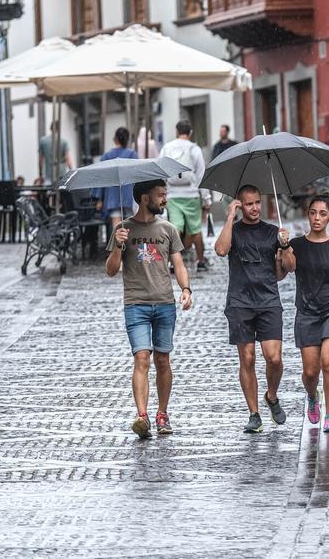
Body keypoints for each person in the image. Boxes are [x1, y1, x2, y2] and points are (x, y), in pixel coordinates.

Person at [105, 179, 194, 439]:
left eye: (165, 194)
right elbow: (110, 270)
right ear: (145, 198)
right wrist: (119, 246)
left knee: (163, 360)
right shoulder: (122, 229)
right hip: (135, 304)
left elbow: (178, 264)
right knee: (141, 357)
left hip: (165, 303)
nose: (165, 199)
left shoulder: (168, 229)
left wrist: (186, 290)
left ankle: (162, 414)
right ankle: (142, 416)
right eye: (161, 195)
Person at [215, 185, 291, 433]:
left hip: (268, 300)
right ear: (240, 205)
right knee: (246, 358)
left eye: (258, 202)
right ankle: (254, 413)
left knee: (274, 357)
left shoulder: (272, 232)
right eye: (249, 204)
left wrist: (284, 249)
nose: (255, 208)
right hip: (240, 302)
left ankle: (271, 395)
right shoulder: (233, 231)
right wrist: (228, 218)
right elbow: (221, 250)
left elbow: (284, 272)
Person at [279, 193, 329, 433]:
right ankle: (312, 396)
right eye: (312, 213)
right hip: (307, 313)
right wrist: (284, 247)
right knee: (311, 372)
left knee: (328, 363)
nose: (316, 218)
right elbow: (287, 270)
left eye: (322, 214)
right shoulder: (297, 245)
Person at [159, 121, 209, 272]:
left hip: (173, 195)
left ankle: (173, 263)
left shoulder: (167, 148)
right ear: (190, 132)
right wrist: (206, 199)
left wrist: (162, 193)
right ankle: (200, 262)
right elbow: (201, 174)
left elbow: (160, 170)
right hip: (191, 193)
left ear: (177, 131)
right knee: (195, 229)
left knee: (175, 229)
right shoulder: (194, 149)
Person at [98, 127, 139, 227]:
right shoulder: (132, 154)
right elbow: (138, 174)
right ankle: (129, 242)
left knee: (116, 226)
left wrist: (100, 199)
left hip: (112, 195)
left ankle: (118, 242)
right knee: (130, 224)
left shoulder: (107, 156)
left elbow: (100, 178)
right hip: (129, 194)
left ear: (115, 139)